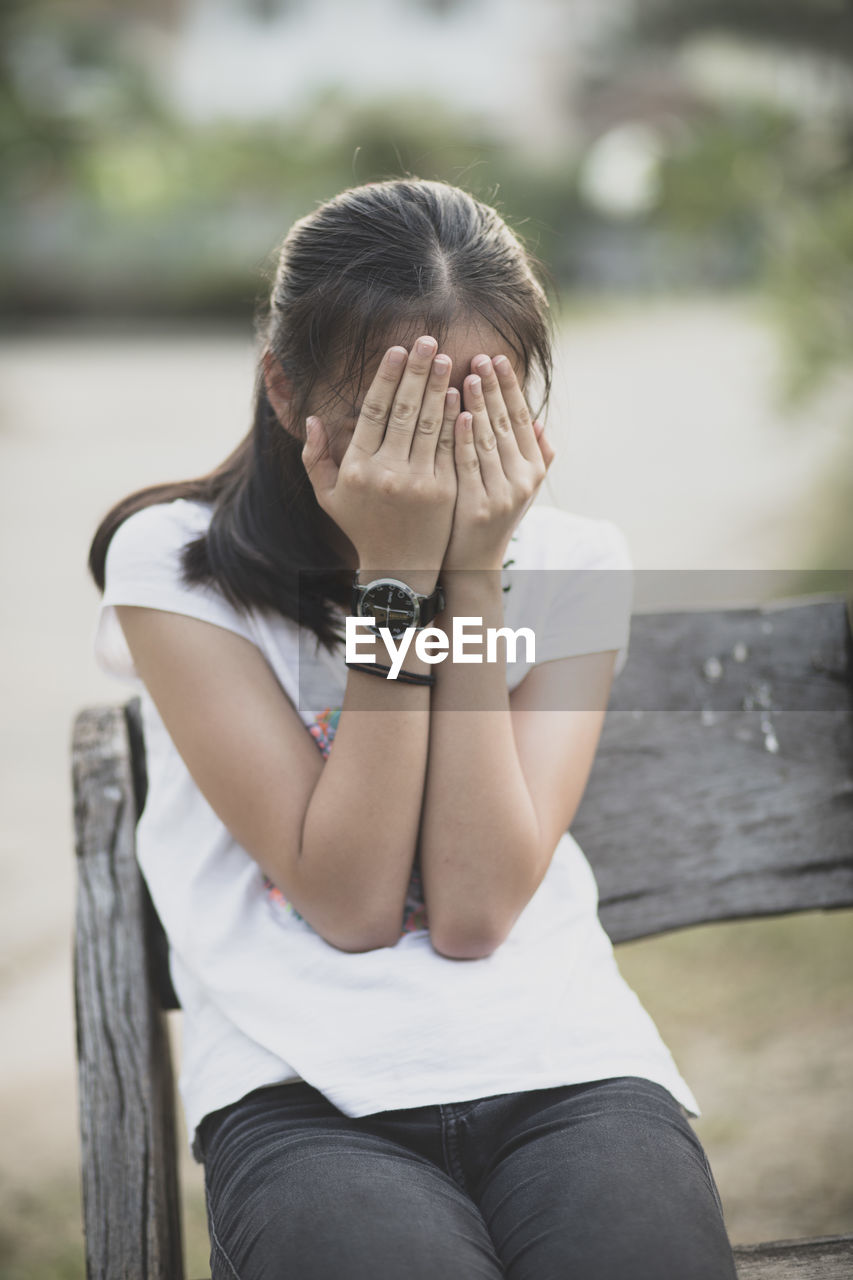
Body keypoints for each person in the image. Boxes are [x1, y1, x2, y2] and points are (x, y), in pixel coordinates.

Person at [89, 177, 738, 1279]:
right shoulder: (172, 562)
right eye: (395, 412)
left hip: (568, 1068)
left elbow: (477, 907)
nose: (432, 461)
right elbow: (346, 901)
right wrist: (396, 579)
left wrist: (472, 576)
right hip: (304, 1101)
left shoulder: (573, 563)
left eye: (471, 411)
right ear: (286, 391)